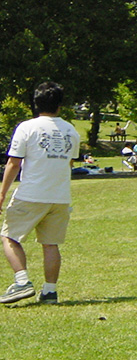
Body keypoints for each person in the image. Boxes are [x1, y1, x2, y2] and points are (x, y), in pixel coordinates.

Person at [0, 81, 80, 304]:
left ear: (36, 103)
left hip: (31, 193)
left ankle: (22, 281)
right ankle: (50, 291)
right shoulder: (71, 131)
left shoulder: (27, 127)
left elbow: (13, 163)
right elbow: (69, 163)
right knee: (50, 243)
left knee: (9, 236)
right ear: (59, 105)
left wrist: (2, 192)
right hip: (60, 196)